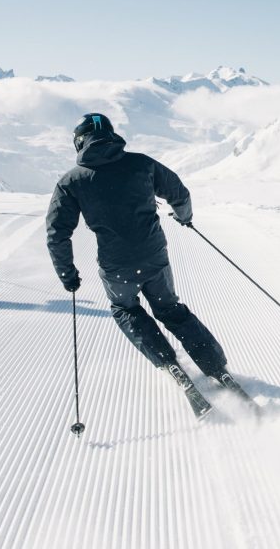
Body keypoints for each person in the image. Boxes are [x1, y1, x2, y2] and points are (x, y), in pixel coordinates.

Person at [46, 113, 246, 416]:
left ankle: (170, 365)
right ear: (111, 135)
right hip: (154, 255)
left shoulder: (71, 181)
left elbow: (57, 234)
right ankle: (217, 368)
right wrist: (184, 216)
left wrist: (67, 274)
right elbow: (178, 192)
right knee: (170, 309)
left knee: (126, 310)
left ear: (79, 142)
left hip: (116, 266)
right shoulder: (141, 163)